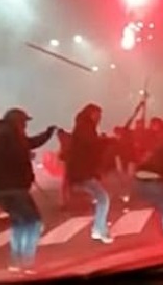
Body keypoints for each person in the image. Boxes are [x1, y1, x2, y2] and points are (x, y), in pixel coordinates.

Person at [0, 108, 56, 274]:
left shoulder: (4, 135)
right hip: (13, 187)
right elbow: (16, 153)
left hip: (0, 189)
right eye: (24, 122)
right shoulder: (8, 136)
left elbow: (27, 144)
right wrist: (25, 155)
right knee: (34, 222)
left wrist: (46, 134)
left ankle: (15, 262)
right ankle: (27, 263)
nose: (25, 126)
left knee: (20, 223)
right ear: (17, 122)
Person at [65, 103, 114, 244]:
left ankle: (99, 227)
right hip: (82, 171)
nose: (99, 118)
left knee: (101, 198)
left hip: (82, 171)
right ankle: (98, 229)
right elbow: (91, 145)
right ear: (91, 114)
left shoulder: (83, 127)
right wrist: (106, 141)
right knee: (103, 198)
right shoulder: (85, 128)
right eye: (98, 115)